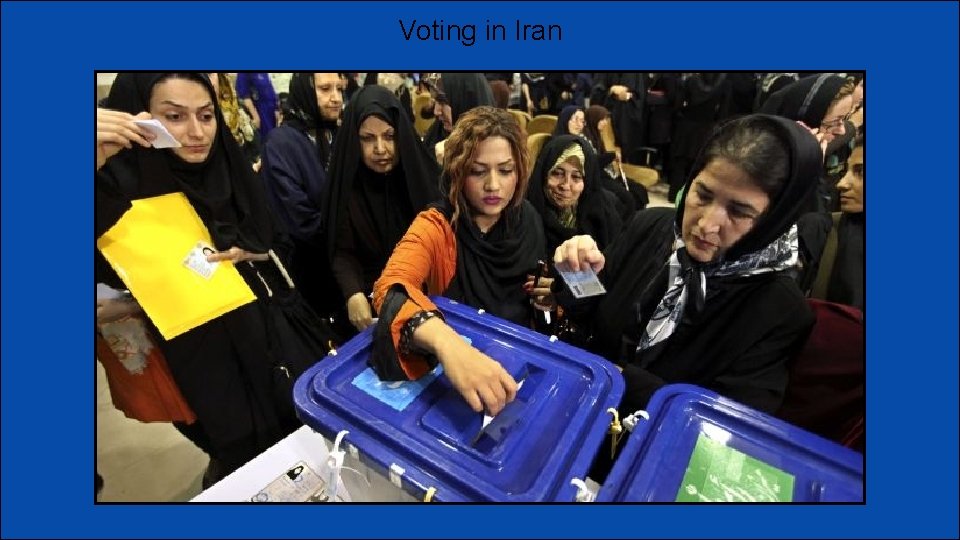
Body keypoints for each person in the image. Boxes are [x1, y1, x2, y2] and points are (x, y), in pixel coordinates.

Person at [96, 73, 327, 484]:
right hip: (197, 363)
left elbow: (276, 241)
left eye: (206, 115)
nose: (197, 132)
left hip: (272, 344)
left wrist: (255, 252)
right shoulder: (113, 189)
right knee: (244, 456)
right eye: (174, 116)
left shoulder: (228, 170)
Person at [547, 114, 821, 422]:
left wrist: (619, 378)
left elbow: (725, 424)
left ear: (774, 221)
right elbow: (588, 317)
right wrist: (578, 272)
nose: (706, 224)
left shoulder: (780, 310)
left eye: (739, 211)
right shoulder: (650, 227)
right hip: (577, 415)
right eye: (703, 195)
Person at [370, 106, 546, 416]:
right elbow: (389, 288)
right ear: (457, 172)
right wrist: (448, 344)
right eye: (478, 171)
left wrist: (551, 295)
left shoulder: (527, 218)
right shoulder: (436, 226)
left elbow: (533, 298)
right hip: (459, 374)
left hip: (520, 361)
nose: (493, 185)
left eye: (506, 170)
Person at [325, 85, 442, 334]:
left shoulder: (420, 178)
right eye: (368, 139)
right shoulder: (346, 188)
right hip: (371, 304)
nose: (380, 148)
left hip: (426, 297)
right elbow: (342, 251)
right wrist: (353, 293)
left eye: (389, 136)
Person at [260, 73, 345, 319]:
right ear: (304, 92)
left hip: (344, 268)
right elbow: (299, 218)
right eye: (325, 89)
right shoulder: (281, 143)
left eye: (339, 89)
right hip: (309, 272)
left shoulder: (335, 133)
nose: (336, 98)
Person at [527, 135, 623, 254]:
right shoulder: (526, 218)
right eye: (557, 173)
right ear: (544, 174)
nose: (566, 186)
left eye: (576, 177)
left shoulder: (603, 217)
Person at [422, 73, 494, 157]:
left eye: (442, 102)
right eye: (435, 101)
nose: (436, 111)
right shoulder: (437, 134)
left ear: (466, 100)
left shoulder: (492, 152)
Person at [235, 72, 280, 140]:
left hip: (271, 110)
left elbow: (270, 88)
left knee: (275, 137)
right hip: (260, 112)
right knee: (266, 139)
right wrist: (255, 116)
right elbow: (245, 97)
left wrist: (276, 109)